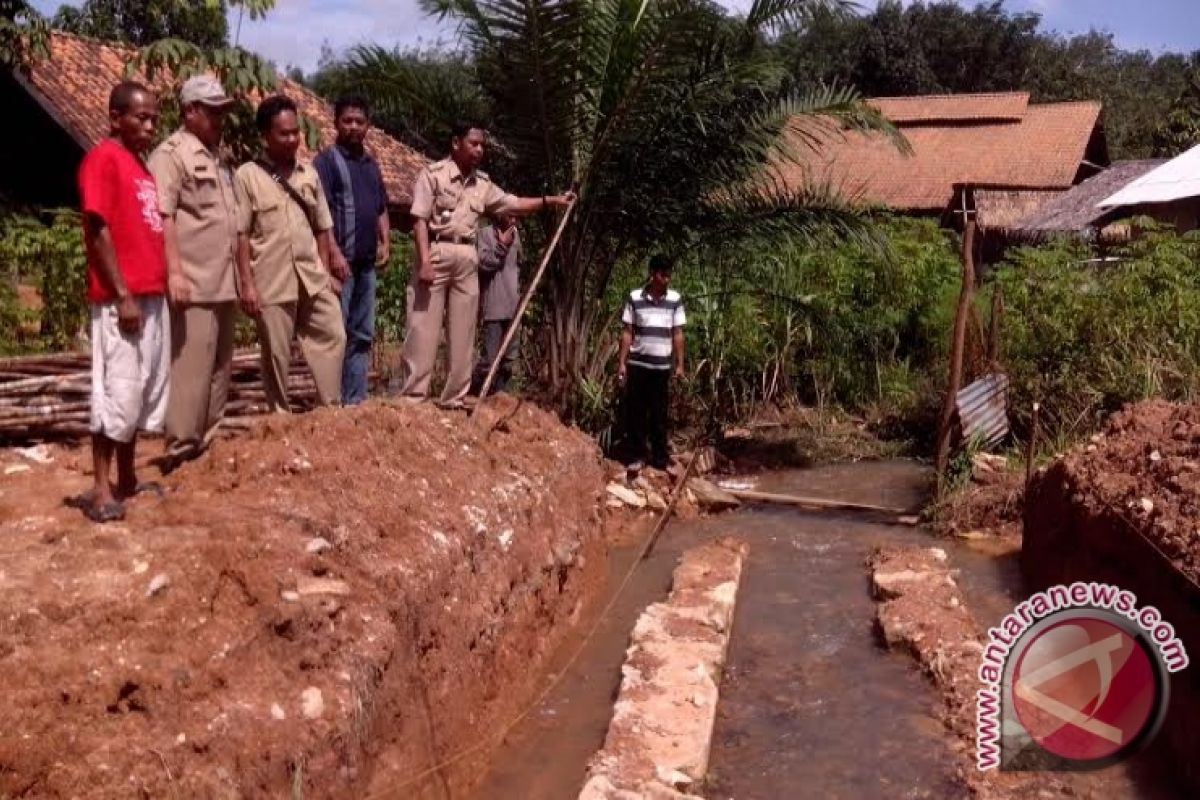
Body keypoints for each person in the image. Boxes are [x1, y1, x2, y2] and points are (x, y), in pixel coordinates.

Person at [401, 121, 574, 409]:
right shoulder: (433, 175)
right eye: (474, 143)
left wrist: (551, 200)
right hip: (436, 249)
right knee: (423, 328)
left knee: (464, 331)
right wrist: (423, 261)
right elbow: (418, 219)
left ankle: (454, 398)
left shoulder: (483, 184)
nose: (479, 150)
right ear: (456, 143)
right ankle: (413, 398)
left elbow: (513, 203)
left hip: (468, 255)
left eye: (482, 145)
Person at [77, 82, 169, 522]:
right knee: (115, 392)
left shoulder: (140, 166)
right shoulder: (103, 159)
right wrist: (123, 295)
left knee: (139, 393)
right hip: (124, 300)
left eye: (153, 118)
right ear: (116, 117)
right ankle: (100, 489)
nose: (150, 125)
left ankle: (128, 478)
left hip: (151, 295)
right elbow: (98, 229)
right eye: (141, 117)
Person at [234, 95, 348, 412]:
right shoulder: (247, 176)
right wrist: (247, 284)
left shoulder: (308, 175)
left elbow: (322, 227)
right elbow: (241, 234)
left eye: (295, 132)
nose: (293, 139)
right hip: (271, 278)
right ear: (266, 136)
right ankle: (279, 417)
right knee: (276, 353)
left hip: (311, 276)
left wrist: (325, 272)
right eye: (284, 133)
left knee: (333, 333)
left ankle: (329, 409)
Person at [148, 74, 239, 466]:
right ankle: (182, 449)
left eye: (223, 112)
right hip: (194, 281)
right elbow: (163, 216)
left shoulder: (219, 156)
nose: (220, 119)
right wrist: (175, 273)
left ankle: (208, 445)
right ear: (190, 111)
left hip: (224, 280)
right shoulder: (171, 155)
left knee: (220, 368)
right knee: (191, 370)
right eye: (213, 111)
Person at [314, 95, 391, 405]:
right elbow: (320, 212)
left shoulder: (371, 165)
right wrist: (332, 252)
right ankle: (331, 402)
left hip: (366, 265)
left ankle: (355, 402)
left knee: (361, 335)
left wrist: (385, 240)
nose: (354, 127)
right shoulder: (326, 162)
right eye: (347, 121)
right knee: (336, 335)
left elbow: (381, 206)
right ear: (336, 123)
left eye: (360, 121)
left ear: (368, 126)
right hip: (339, 265)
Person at [617, 254, 686, 471]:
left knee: (659, 413)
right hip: (638, 364)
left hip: (661, 366)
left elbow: (677, 333)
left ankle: (660, 458)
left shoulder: (674, 300)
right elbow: (628, 332)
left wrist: (680, 365)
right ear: (653, 274)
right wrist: (622, 363)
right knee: (636, 411)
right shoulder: (635, 298)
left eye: (669, 275)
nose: (667, 279)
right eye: (663, 274)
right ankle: (637, 456)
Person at [470, 213, 522, 396]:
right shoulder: (484, 234)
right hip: (494, 306)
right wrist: (502, 246)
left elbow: (517, 266)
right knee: (489, 361)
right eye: (510, 214)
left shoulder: (515, 235)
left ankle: (498, 396)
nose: (513, 219)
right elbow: (484, 263)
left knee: (509, 361)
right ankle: (473, 393)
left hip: (513, 306)